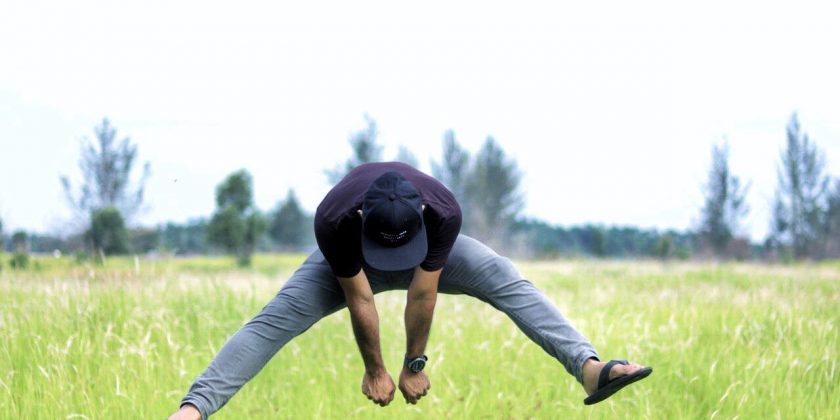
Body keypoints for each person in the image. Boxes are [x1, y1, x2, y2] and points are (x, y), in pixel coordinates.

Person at [168, 162, 652, 419]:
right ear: (360, 221)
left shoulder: (443, 211)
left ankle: (589, 368)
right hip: (351, 261)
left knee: (506, 278)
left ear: (423, 216)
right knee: (275, 320)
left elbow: (421, 295)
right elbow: (361, 298)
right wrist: (375, 369)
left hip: (429, 259)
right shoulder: (334, 219)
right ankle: (193, 411)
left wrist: (412, 365)